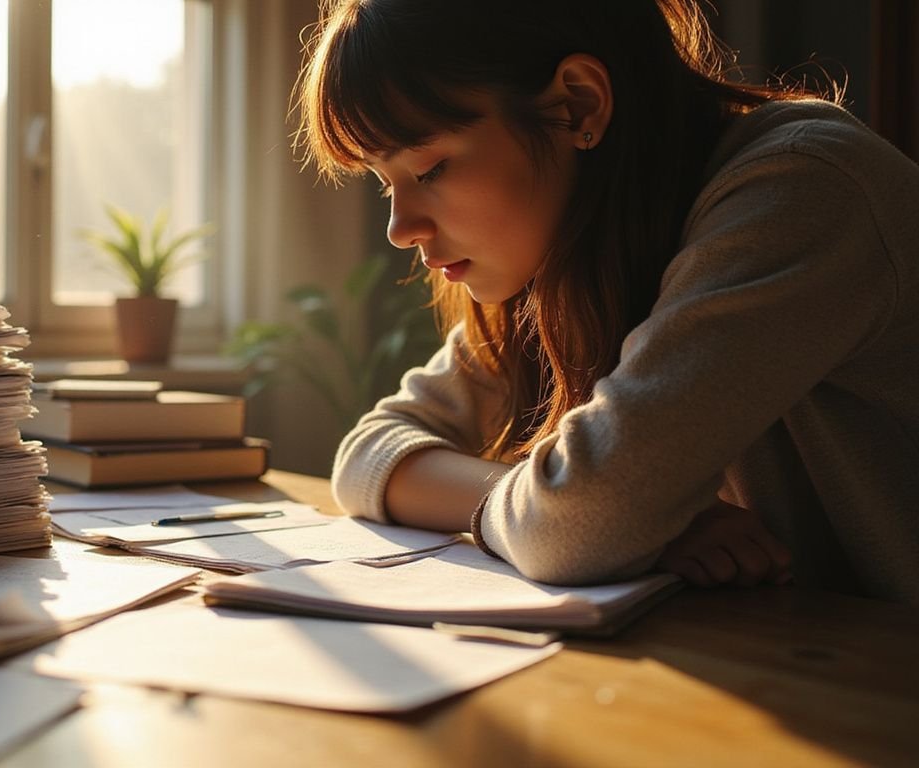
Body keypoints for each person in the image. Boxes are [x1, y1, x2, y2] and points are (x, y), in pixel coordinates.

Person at [301, 0, 919, 605]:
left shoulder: (803, 189)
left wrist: (610, 513)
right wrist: (616, 514)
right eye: (386, 183)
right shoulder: (568, 257)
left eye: (430, 168)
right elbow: (369, 453)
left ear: (578, 104)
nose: (399, 228)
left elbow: (579, 523)